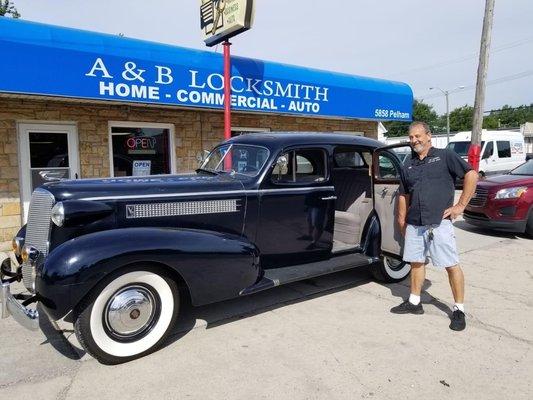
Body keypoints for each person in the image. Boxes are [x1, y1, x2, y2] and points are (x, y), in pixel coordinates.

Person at [390, 121, 478, 331]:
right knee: (416, 263)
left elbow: (471, 174)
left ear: (429, 136)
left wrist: (460, 205)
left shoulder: (445, 156)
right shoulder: (408, 163)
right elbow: (403, 193)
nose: (414, 141)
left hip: (439, 223)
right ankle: (414, 302)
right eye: (411, 137)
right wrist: (401, 220)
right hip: (415, 223)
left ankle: (458, 309)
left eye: (418, 136)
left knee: (451, 264)